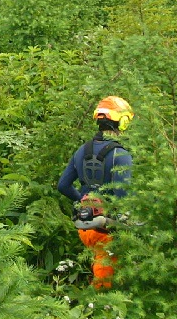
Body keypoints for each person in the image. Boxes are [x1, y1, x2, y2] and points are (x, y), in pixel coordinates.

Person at [57, 96, 134, 290]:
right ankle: (100, 309)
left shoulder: (82, 150)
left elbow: (63, 186)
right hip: (107, 228)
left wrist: (83, 200)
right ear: (121, 122)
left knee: (100, 262)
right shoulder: (121, 154)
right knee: (107, 280)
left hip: (85, 227)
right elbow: (122, 194)